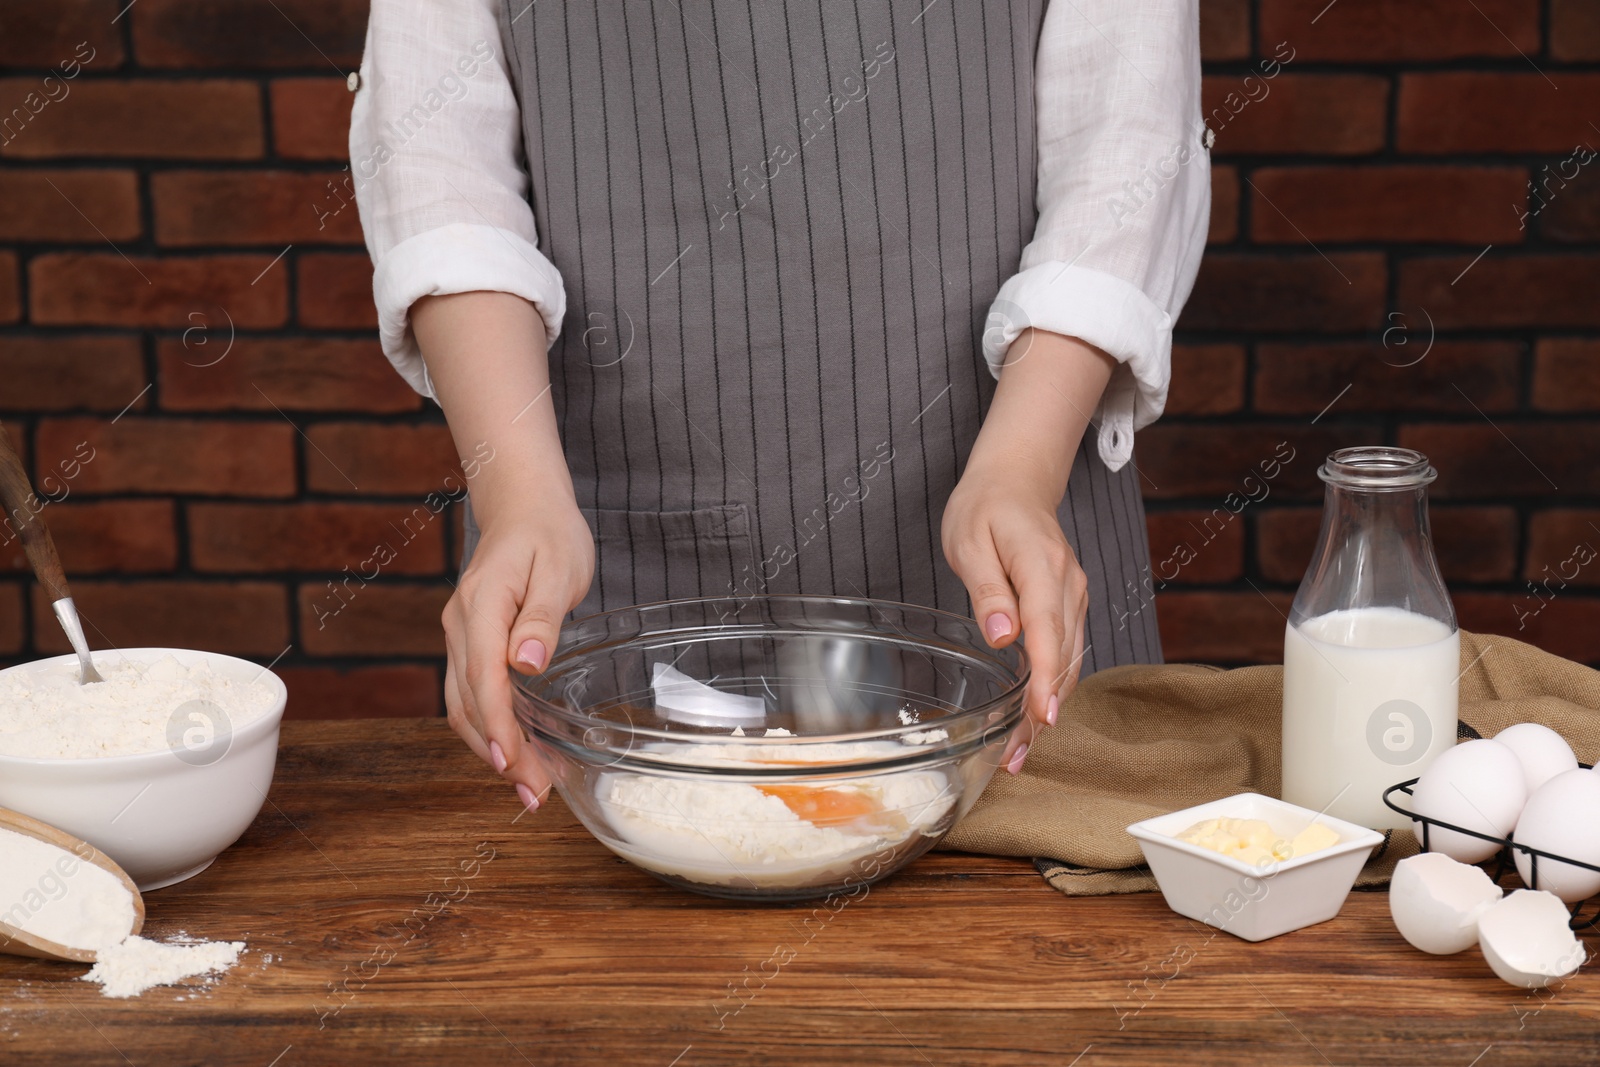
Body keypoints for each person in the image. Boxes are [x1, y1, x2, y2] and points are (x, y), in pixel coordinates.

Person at [351, 0, 1208, 813]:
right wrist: (518, 497)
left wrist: (1020, 470)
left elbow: (1126, 138)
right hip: (599, 582)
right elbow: (438, 153)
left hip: (1013, 553)